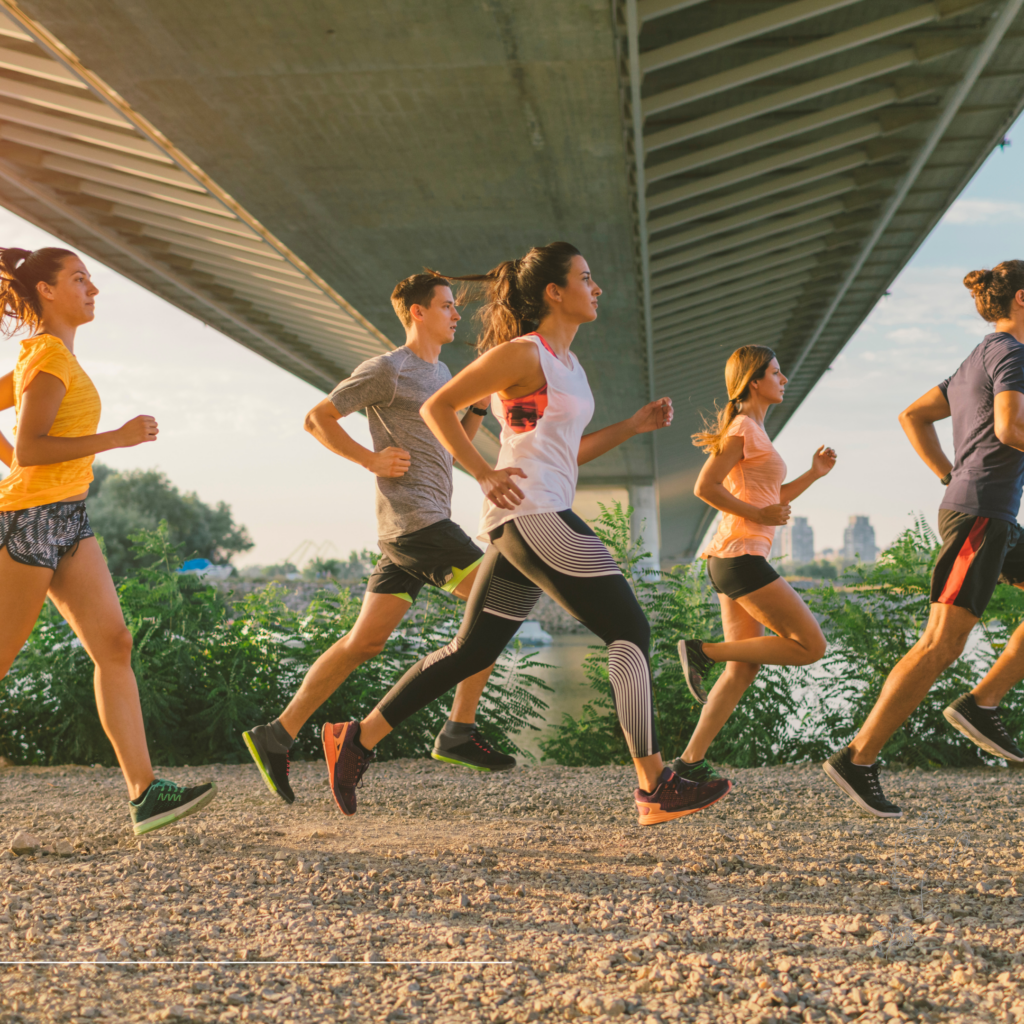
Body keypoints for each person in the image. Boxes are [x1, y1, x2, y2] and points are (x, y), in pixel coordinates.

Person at [319, 241, 734, 826]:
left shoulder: (569, 366)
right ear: (553, 292)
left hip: (535, 512)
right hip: (533, 514)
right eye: (586, 279)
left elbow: (570, 451)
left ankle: (356, 739)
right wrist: (485, 472)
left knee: (473, 650)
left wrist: (634, 426)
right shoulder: (524, 353)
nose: (597, 288)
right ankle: (654, 785)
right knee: (629, 628)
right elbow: (440, 407)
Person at [244, 272, 515, 809]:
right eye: (446, 305)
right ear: (417, 312)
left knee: (363, 644)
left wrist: (478, 407)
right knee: (501, 604)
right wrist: (369, 459)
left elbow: (450, 437)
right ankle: (458, 730)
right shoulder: (387, 370)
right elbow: (317, 417)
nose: (456, 313)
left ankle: (276, 734)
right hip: (417, 525)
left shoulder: (440, 371)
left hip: (412, 528)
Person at [0, 246, 216, 835]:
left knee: (114, 644)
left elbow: (22, 449)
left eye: (91, 280)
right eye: (79, 279)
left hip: (69, 518)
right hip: (28, 523)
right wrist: (114, 439)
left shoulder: (53, 356)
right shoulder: (46, 356)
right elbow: (31, 448)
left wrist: (20, 464)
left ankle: (146, 795)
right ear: (46, 290)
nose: (93, 289)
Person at [825, 260, 1024, 818]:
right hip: (980, 515)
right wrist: (960, 479)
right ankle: (858, 758)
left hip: (989, 513)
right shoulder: (1012, 355)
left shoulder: (977, 358)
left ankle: (983, 702)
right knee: (941, 643)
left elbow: (913, 415)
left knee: (944, 641)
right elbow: (1009, 428)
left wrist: (947, 473)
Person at [669, 346, 835, 784]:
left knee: (743, 669)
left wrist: (813, 474)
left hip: (732, 559)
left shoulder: (754, 430)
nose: (784, 380)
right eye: (777, 373)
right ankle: (701, 651)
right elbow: (705, 486)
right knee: (811, 646)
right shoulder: (744, 427)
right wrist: (758, 516)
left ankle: (688, 764)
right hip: (740, 557)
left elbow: (770, 500)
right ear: (754, 381)